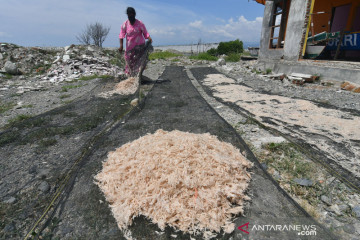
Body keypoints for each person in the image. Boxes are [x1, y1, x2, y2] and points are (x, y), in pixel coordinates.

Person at [118, 7, 153, 79]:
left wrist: (149, 38)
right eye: (129, 15)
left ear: (134, 14)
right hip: (130, 48)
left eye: (132, 15)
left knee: (139, 62)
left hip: (140, 47)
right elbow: (121, 35)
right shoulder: (125, 24)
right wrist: (121, 46)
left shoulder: (140, 23)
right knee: (129, 62)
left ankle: (138, 76)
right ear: (127, 15)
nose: (130, 16)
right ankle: (131, 77)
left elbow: (145, 33)